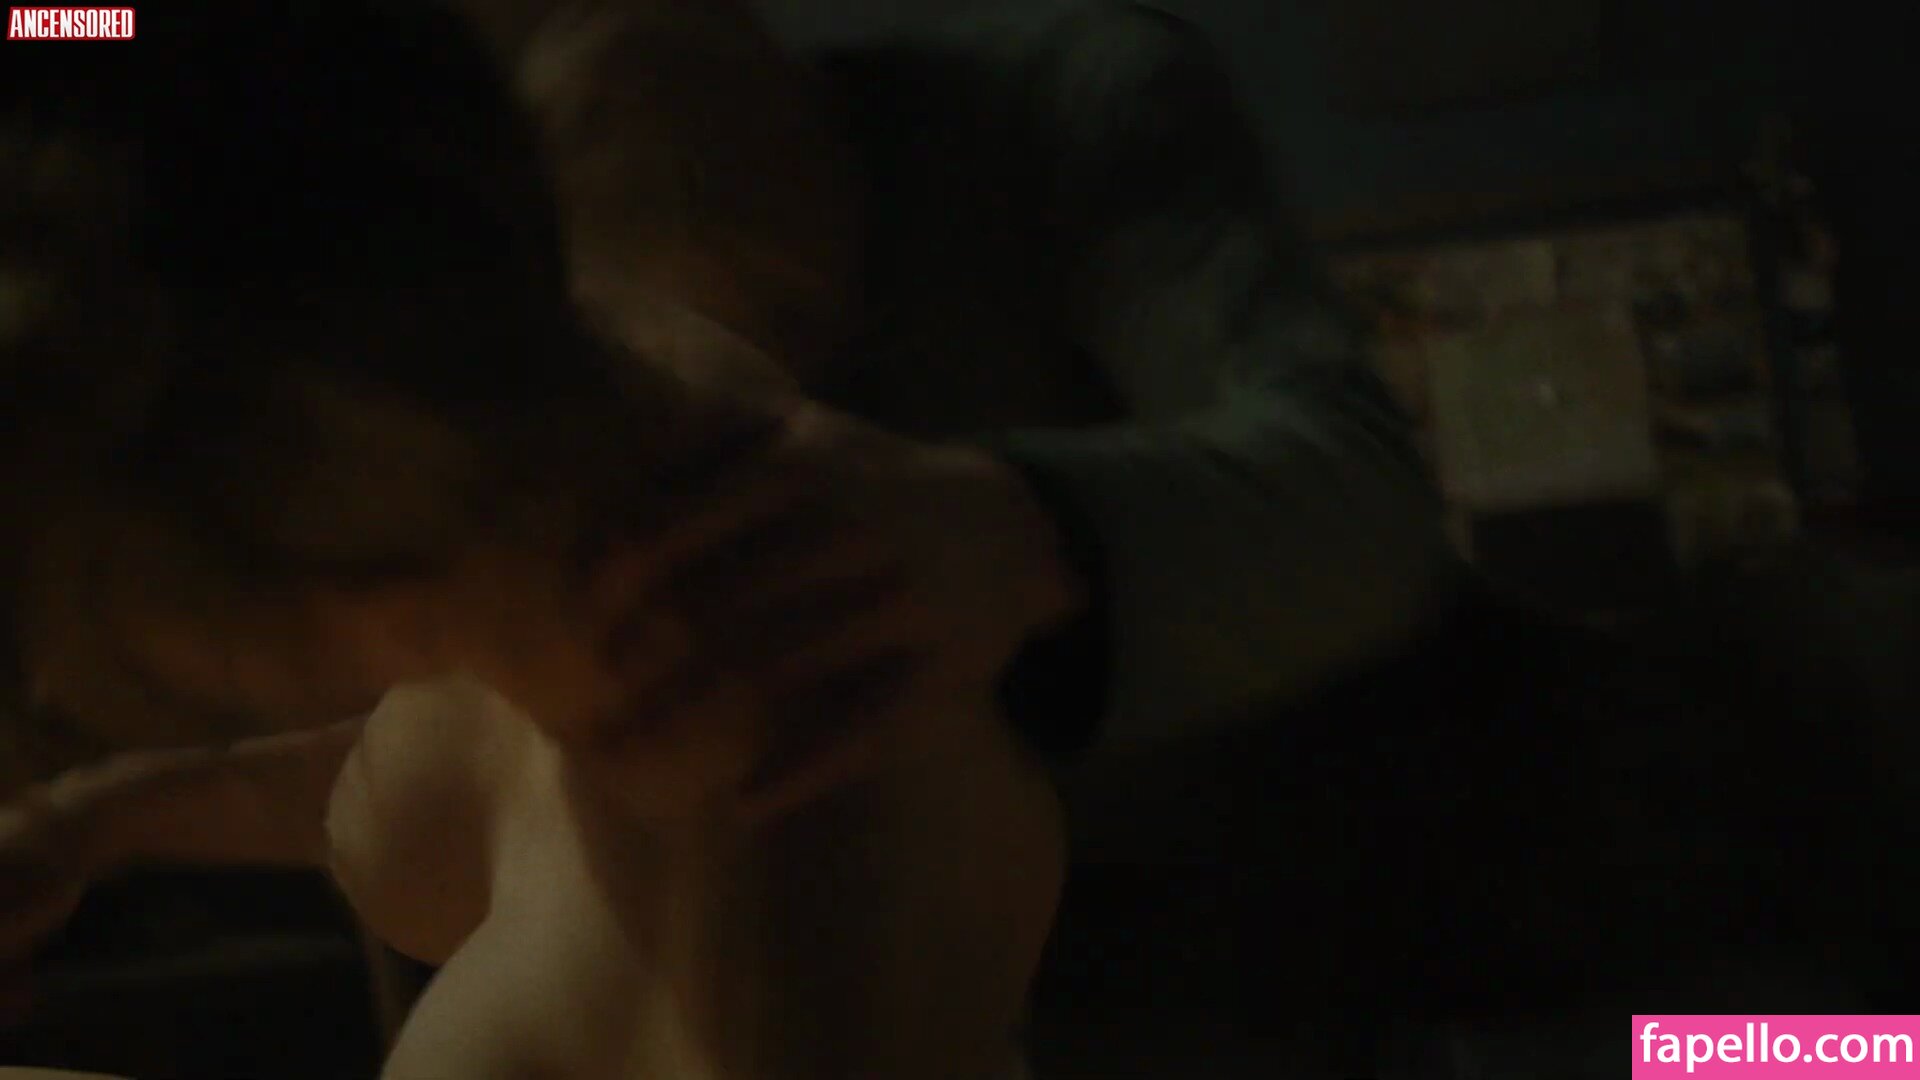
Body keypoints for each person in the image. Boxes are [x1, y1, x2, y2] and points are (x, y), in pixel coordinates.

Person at [0, 0, 1455, 1075]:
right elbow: (436, 770)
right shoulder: (577, 569)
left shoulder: (1060, 109)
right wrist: (107, 818)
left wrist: (1028, 526)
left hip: (1201, 937)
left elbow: (1367, 499)